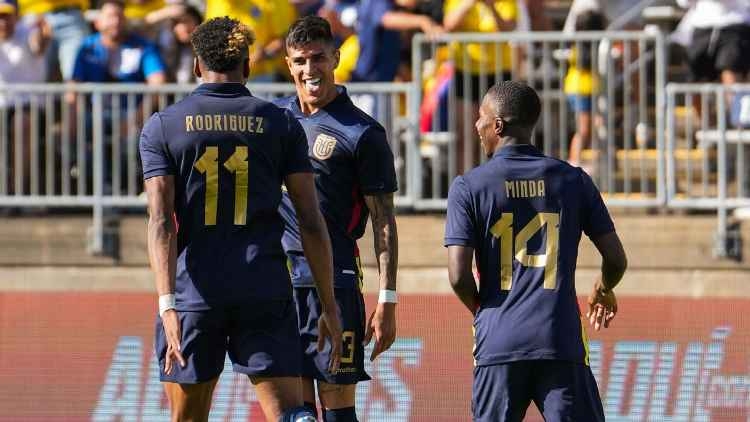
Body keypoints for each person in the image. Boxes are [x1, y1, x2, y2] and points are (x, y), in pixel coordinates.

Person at [139, 16, 342, 421]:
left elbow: (161, 222)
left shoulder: (164, 126)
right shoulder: (280, 123)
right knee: (290, 414)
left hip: (195, 294)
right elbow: (310, 219)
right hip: (263, 286)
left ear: (197, 65)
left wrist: (167, 305)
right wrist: (329, 304)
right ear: (247, 66)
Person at [444, 81, 627, 421]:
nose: (477, 125)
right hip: (559, 338)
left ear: (498, 125)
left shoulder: (469, 186)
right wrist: (603, 288)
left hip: (498, 340)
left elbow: (457, 275)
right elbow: (616, 259)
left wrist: (484, 311)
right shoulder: (573, 179)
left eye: (481, 117)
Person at [276, 16, 399, 422]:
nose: (310, 70)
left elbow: (383, 221)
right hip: (277, 288)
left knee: (338, 413)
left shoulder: (363, 132)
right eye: (300, 60)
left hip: (337, 283)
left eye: (318, 58)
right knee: (295, 413)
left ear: (336, 58)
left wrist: (388, 300)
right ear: (288, 64)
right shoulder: (274, 123)